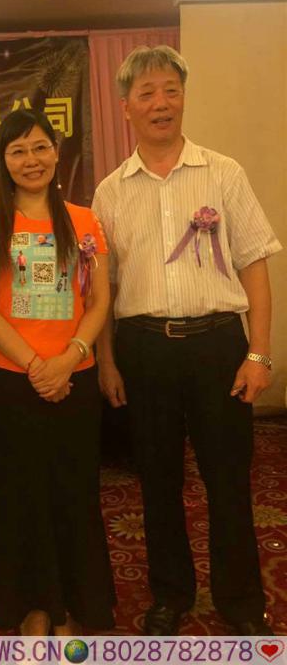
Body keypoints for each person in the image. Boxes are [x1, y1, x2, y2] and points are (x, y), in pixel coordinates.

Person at [92, 45, 282, 636]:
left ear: (183, 98)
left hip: (217, 345)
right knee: (157, 481)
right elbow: (102, 290)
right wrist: (106, 362)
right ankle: (170, 594)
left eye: (171, 90)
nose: (161, 103)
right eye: (147, 93)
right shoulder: (110, 192)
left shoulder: (223, 173)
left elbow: (254, 264)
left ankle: (241, 601)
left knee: (229, 480)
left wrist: (259, 351)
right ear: (126, 107)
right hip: (143, 349)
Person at [0, 108, 116, 635]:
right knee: (20, 492)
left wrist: (68, 358)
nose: (31, 160)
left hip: (76, 376)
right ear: (3, 161)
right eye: (18, 151)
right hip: (12, 381)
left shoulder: (85, 221)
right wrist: (35, 367)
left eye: (40, 147)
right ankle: (31, 605)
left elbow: (99, 301)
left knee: (75, 490)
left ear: (56, 152)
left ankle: (73, 603)